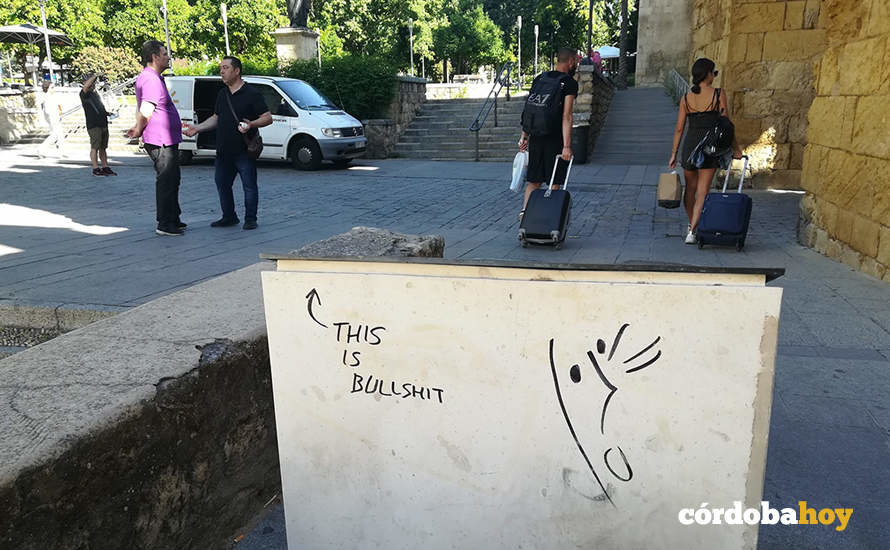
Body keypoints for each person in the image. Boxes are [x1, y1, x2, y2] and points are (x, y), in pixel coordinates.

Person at [182, 56, 272, 230]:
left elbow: (267, 118)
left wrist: (251, 124)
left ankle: (250, 219)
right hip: (223, 150)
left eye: (225, 68)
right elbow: (216, 117)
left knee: (249, 185)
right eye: (221, 68)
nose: (221, 71)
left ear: (236, 71)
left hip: (244, 150)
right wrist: (197, 128)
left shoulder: (252, 93)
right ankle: (229, 216)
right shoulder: (222, 94)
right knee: (222, 184)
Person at [669, 57, 743, 244]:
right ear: (708, 74)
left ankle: (692, 224)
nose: (714, 76)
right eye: (714, 72)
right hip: (709, 148)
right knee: (703, 191)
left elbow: (679, 129)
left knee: (690, 190)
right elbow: (726, 125)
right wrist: (736, 148)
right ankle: (693, 230)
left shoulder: (686, 98)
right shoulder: (718, 94)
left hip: (689, 146)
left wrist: (674, 153)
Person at [127, 40, 186, 236]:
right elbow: (147, 108)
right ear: (154, 57)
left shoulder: (154, 78)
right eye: (164, 53)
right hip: (160, 139)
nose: (168, 57)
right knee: (166, 181)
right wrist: (138, 129)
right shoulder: (151, 79)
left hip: (167, 138)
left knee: (173, 179)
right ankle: (165, 223)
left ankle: (174, 217)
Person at [516, 47, 579, 221]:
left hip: (536, 137)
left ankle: (525, 213)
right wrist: (566, 146)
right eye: (576, 62)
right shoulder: (569, 83)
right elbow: (567, 115)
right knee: (555, 181)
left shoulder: (540, 78)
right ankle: (548, 217)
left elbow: (530, 108)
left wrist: (524, 135)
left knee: (534, 181)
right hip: (555, 139)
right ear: (571, 61)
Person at [80, 73, 116, 176]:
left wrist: (107, 113)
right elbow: (86, 86)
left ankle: (105, 166)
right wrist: (95, 75)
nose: (93, 84)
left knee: (103, 147)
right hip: (93, 125)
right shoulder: (83, 94)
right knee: (95, 147)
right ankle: (95, 168)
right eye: (91, 83)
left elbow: (99, 107)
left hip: (103, 122)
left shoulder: (95, 94)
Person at [38, 81, 63, 158]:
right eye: (52, 88)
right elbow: (47, 110)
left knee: (60, 134)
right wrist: (55, 117)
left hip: (55, 117)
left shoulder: (52, 96)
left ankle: (61, 152)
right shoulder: (47, 97)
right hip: (53, 118)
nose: (53, 89)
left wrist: (60, 113)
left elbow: (58, 106)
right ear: (47, 88)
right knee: (54, 135)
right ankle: (41, 149)